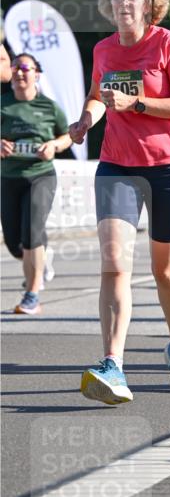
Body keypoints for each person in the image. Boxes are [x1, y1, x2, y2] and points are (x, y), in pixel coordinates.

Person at [69, 0, 170, 404]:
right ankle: (113, 364)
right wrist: (86, 120)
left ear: (149, 5)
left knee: (164, 270)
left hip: (168, 167)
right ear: (109, 5)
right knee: (114, 263)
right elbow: (98, 97)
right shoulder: (104, 51)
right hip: (117, 166)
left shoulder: (169, 44)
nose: (124, 2)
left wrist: (138, 102)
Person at [1, 53, 72, 314]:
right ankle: (42, 258)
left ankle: (32, 294)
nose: (19, 72)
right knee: (13, 242)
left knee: (31, 233)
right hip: (8, 177)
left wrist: (54, 145)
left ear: (36, 74)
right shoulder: (3, 104)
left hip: (40, 175)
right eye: (15, 68)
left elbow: (67, 136)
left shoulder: (49, 107)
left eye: (25, 68)